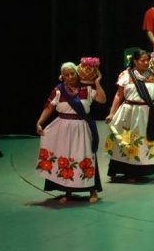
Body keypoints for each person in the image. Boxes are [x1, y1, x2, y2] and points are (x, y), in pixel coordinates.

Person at [35, 62, 106, 204]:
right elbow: (49, 107)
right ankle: (68, 192)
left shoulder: (87, 88)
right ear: (63, 77)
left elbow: (102, 100)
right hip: (63, 128)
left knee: (85, 156)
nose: (70, 77)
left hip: (82, 127)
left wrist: (96, 82)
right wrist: (40, 122)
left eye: (72, 73)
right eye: (66, 75)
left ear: (77, 73)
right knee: (66, 156)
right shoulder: (58, 90)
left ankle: (93, 191)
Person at [104, 50, 154, 182]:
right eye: (142, 60)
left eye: (147, 60)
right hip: (129, 113)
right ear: (135, 61)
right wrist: (112, 112)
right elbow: (119, 95)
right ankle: (130, 171)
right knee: (127, 142)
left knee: (151, 141)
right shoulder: (125, 75)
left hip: (148, 113)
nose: (146, 63)